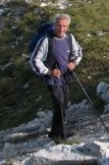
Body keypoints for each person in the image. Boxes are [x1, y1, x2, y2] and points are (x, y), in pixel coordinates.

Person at [30, 13, 83, 143]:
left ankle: (56, 132)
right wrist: (48, 72)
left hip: (66, 77)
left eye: (64, 26)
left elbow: (78, 52)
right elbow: (34, 60)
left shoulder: (70, 38)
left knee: (64, 103)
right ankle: (61, 136)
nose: (61, 29)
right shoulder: (46, 40)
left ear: (68, 27)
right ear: (54, 25)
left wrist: (74, 63)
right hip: (52, 79)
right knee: (59, 103)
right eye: (59, 25)